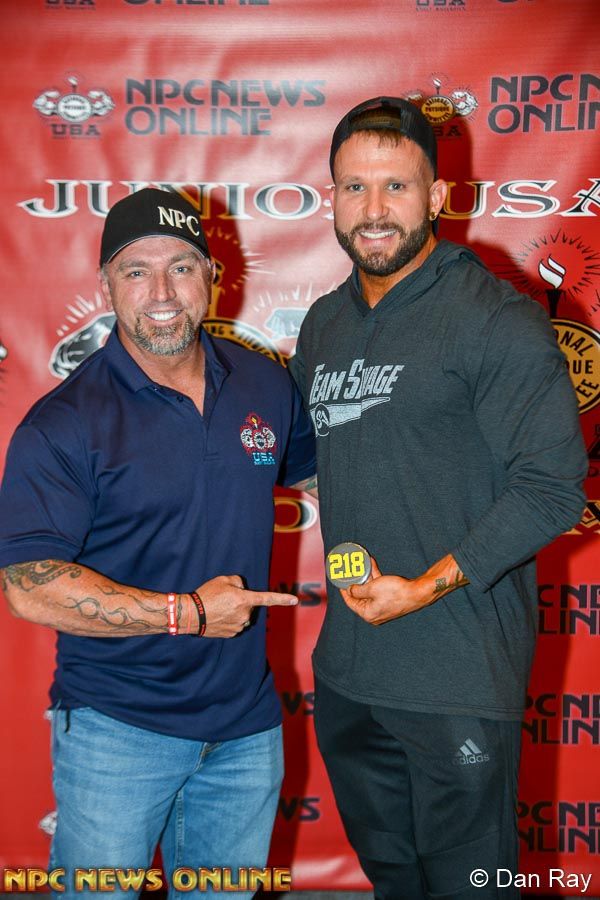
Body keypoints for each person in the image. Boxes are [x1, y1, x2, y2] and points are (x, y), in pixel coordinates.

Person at [289, 97, 587, 899]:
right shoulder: (324, 325)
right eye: (355, 187)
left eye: (397, 186)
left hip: (457, 677)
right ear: (332, 198)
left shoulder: (496, 320)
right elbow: (310, 456)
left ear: (440, 197)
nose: (374, 209)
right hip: (350, 673)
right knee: (393, 881)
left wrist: (424, 585)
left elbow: (552, 490)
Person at [0, 188, 316, 898]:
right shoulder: (65, 423)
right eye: (136, 271)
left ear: (212, 275)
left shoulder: (263, 382)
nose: (162, 292)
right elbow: (28, 586)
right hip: (117, 730)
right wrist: (189, 614)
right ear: (106, 285)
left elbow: (322, 476)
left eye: (180, 266)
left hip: (245, 730)